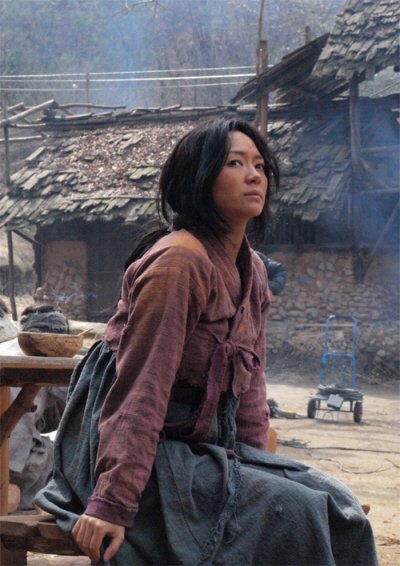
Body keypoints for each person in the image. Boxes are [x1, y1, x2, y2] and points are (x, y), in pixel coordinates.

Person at [36, 119, 377, 565]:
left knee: (340, 506)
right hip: (135, 459)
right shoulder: (178, 263)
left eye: (260, 165)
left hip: (203, 452)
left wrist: (254, 469)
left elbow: (251, 393)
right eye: (235, 163)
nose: (254, 176)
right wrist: (112, 503)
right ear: (199, 179)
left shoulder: (253, 271)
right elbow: (141, 390)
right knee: (299, 514)